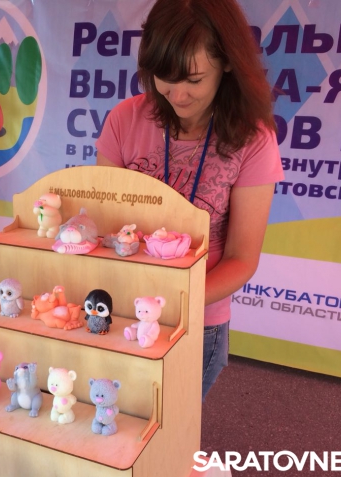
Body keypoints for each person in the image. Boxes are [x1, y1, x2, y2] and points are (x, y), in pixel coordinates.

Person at [96, 0, 284, 400]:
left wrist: (171, 304)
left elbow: (241, 258)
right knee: (109, 413)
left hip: (198, 320)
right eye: (165, 78)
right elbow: (103, 221)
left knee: (170, 430)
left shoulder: (252, 140)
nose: (177, 95)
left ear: (227, 63)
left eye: (194, 80)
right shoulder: (125, 119)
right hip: (120, 308)